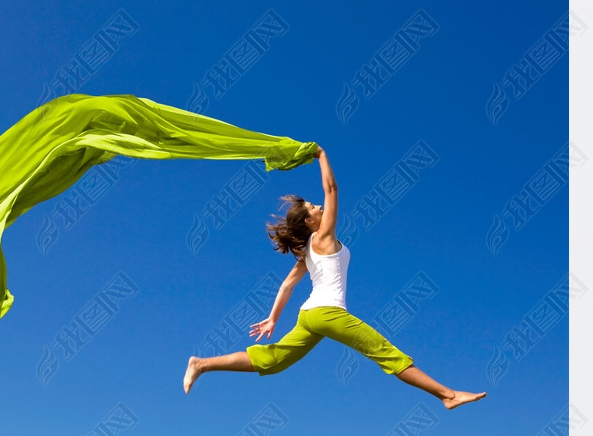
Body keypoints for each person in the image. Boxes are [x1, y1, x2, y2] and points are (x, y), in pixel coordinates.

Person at [183, 145, 487, 410]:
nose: (320, 206)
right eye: (313, 207)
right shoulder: (323, 238)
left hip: (309, 315)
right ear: (309, 220)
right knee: (385, 353)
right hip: (328, 313)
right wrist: (321, 155)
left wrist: (273, 318)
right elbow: (332, 190)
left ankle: (202, 363)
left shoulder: (307, 251)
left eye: (317, 205)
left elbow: (288, 285)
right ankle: (447, 395)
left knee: (273, 361)